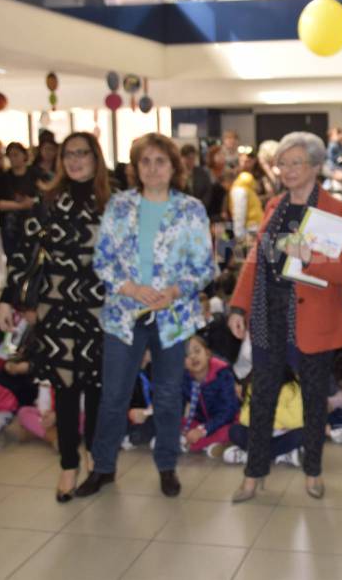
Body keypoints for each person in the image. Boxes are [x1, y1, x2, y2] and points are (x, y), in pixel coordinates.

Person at [78, 133, 215, 499]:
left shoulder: (191, 210)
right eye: (145, 162)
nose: (153, 169)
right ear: (135, 168)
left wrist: (173, 292)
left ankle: (167, 465)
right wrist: (130, 288)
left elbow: (204, 268)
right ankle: (103, 467)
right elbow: (102, 261)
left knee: (169, 396)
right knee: (114, 396)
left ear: (174, 166)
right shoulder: (119, 207)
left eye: (160, 161)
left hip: (172, 317)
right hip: (124, 314)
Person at [228, 131, 342, 502]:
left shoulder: (335, 209)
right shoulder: (274, 207)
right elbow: (254, 261)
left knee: (314, 400)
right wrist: (239, 306)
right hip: (269, 314)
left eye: (295, 162)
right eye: (282, 163)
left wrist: (308, 258)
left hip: (313, 320)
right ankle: (253, 474)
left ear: (316, 166)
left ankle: (313, 472)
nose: (287, 170)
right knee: (262, 395)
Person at [0, 133, 112, 500]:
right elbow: (25, 253)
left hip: (101, 307)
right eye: (69, 154)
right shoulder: (48, 201)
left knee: (96, 385)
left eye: (83, 153)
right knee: (64, 388)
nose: (76, 160)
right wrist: (6, 299)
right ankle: (67, 465)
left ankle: (95, 456)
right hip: (57, 308)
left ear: (96, 158)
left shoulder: (113, 202)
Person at [0, 142, 39, 261]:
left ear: (24, 156)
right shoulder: (3, 178)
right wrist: (20, 205)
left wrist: (31, 202)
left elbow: (43, 197)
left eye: (16, 155)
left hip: (33, 224)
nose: (13, 159)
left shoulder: (35, 174)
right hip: (10, 227)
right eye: (10, 156)